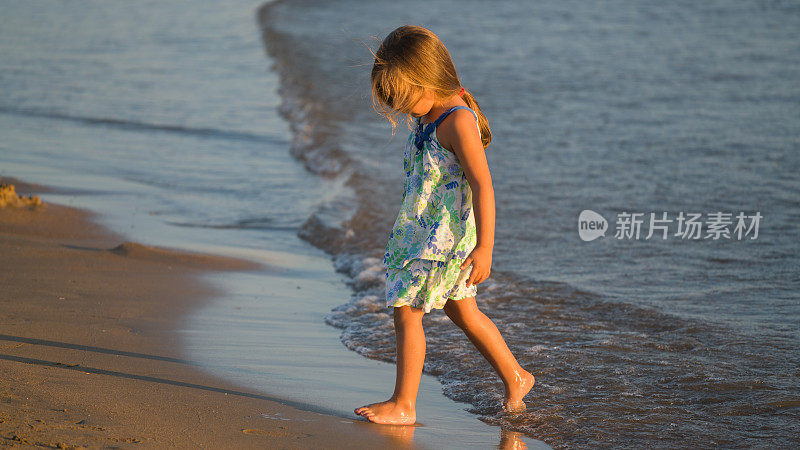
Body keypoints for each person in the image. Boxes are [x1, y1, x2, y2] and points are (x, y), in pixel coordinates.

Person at [354, 25, 535, 425]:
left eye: (405, 100)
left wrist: (485, 247)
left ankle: (404, 404)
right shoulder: (429, 113)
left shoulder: (457, 121)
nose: (403, 111)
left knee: (406, 309)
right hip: (422, 232)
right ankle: (516, 376)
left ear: (428, 81)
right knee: (463, 310)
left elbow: (483, 185)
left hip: (444, 239)